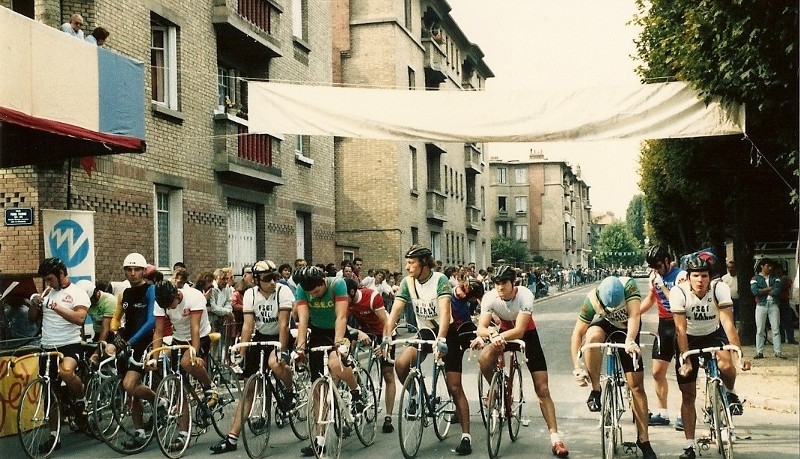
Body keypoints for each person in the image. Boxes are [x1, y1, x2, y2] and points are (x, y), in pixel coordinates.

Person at [383, 245, 473, 455]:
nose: (406, 267)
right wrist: (386, 337)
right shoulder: (408, 283)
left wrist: (441, 339)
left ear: (424, 262)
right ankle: (416, 395)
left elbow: (444, 313)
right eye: (406, 262)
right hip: (424, 332)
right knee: (402, 363)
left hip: (445, 332)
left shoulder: (440, 280)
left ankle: (466, 436)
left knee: (455, 386)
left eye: (411, 263)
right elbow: (394, 311)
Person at [475, 266, 569, 458]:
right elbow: (481, 328)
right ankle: (497, 387)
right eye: (497, 283)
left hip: (527, 335)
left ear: (513, 283)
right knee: (484, 358)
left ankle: (555, 439)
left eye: (504, 283)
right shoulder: (490, 297)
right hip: (501, 333)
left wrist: (498, 337)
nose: (500, 287)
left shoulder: (525, 294)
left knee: (542, 389)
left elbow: (519, 330)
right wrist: (493, 334)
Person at [671, 250, 751, 459]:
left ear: (710, 277)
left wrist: (738, 353)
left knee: (726, 366)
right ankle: (689, 445)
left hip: (713, 334)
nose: (700, 280)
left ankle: (731, 392)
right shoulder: (678, 293)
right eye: (695, 275)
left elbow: (727, 323)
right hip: (687, 338)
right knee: (688, 394)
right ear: (688, 277)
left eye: (704, 275)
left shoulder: (719, 288)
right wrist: (686, 360)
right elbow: (679, 330)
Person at [211, 260, 295, 454]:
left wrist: (282, 350)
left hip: (280, 336)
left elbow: (283, 324)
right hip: (262, 336)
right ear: (257, 280)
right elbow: (248, 326)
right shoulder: (250, 294)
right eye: (267, 279)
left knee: (275, 363)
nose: (273, 282)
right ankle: (231, 439)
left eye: (274, 277)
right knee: (248, 390)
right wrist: (241, 353)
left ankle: (289, 389)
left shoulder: (283, 292)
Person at [570, 276, 657, 459]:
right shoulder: (592, 298)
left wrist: (630, 341)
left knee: (636, 386)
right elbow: (578, 334)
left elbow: (634, 316)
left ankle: (644, 440)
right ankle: (596, 389)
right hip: (606, 324)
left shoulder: (629, 287)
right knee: (592, 338)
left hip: (628, 328)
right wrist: (577, 366)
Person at [293, 266, 362, 457]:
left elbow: (341, 316)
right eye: (310, 293)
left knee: (334, 362)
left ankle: (356, 391)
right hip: (318, 333)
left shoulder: (337, 285)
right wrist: (300, 347)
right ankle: (319, 439)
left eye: (316, 292)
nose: (313, 296)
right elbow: (303, 318)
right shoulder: (302, 289)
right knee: (318, 389)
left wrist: (339, 343)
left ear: (323, 281)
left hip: (338, 331)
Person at [28, 258, 90, 452]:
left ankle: (81, 399)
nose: (48, 283)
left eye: (50, 279)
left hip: (69, 344)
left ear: (61, 274)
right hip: (48, 345)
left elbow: (80, 319)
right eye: (45, 280)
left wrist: (55, 306)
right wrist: (35, 304)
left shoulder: (77, 293)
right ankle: (54, 437)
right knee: (50, 392)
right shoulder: (47, 292)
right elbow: (32, 319)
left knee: (66, 372)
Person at [152, 280, 217, 452]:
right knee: (178, 385)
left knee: (187, 362)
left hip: (200, 335)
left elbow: (195, 328)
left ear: (177, 295)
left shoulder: (193, 296)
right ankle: (182, 433)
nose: (170, 309)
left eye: (171, 304)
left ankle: (210, 386)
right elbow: (158, 331)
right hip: (178, 338)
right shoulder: (161, 302)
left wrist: (194, 354)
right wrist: (154, 357)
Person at [640, 245, 686, 428]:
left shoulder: (681, 276)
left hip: (681, 324)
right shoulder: (655, 276)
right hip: (664, 325)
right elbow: (651, 299)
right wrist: (634, 315)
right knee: (657, 372)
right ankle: (663, 413)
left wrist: (662, 285)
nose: (655, 270)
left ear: (667, 261)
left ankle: (685, 413)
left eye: (658, 265)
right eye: (652, 267)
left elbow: (678, 302)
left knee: (683, 372)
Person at [342, 278, 397, 433]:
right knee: (347, 357)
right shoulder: (346, 301)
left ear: (352, 292)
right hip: (365, 332)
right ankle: (358, 388)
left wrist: (384, 344)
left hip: (384, 333)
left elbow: (387, 323)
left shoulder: (372, 297)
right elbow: (341, 322)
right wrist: (358, 332)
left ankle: (388, 417)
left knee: (387, 374)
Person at [750, 258, 785, 359]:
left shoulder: (758, 279)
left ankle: (777, 351)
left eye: (771, 266)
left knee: (775, 329)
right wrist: (770, 288)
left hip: (770, 304)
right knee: (760, 329)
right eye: (768, 266)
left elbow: (777, 290)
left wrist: (763, 290)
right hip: (763, 304)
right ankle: (760, 352)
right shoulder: (756, 278)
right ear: (762, 266)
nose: (770, 268)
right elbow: (755, 292)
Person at [76, 279, 117, 363]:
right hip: (97, 334)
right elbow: (80, 322)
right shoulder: (85, 302)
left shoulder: (109, 301)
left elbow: (105, 329)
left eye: (91, 300)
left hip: (111, 335)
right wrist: (81, 342)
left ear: (96, 293)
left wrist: (96, 353)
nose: (89, 304)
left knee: (103, 354)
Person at [774, 264, 797, 345]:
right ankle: (782, 338)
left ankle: (790, 338)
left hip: (784, 300)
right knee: (779, 322)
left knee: (788, 321)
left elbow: (787, 285)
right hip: (777, 301)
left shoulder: (785, 278)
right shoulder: (775, 279)